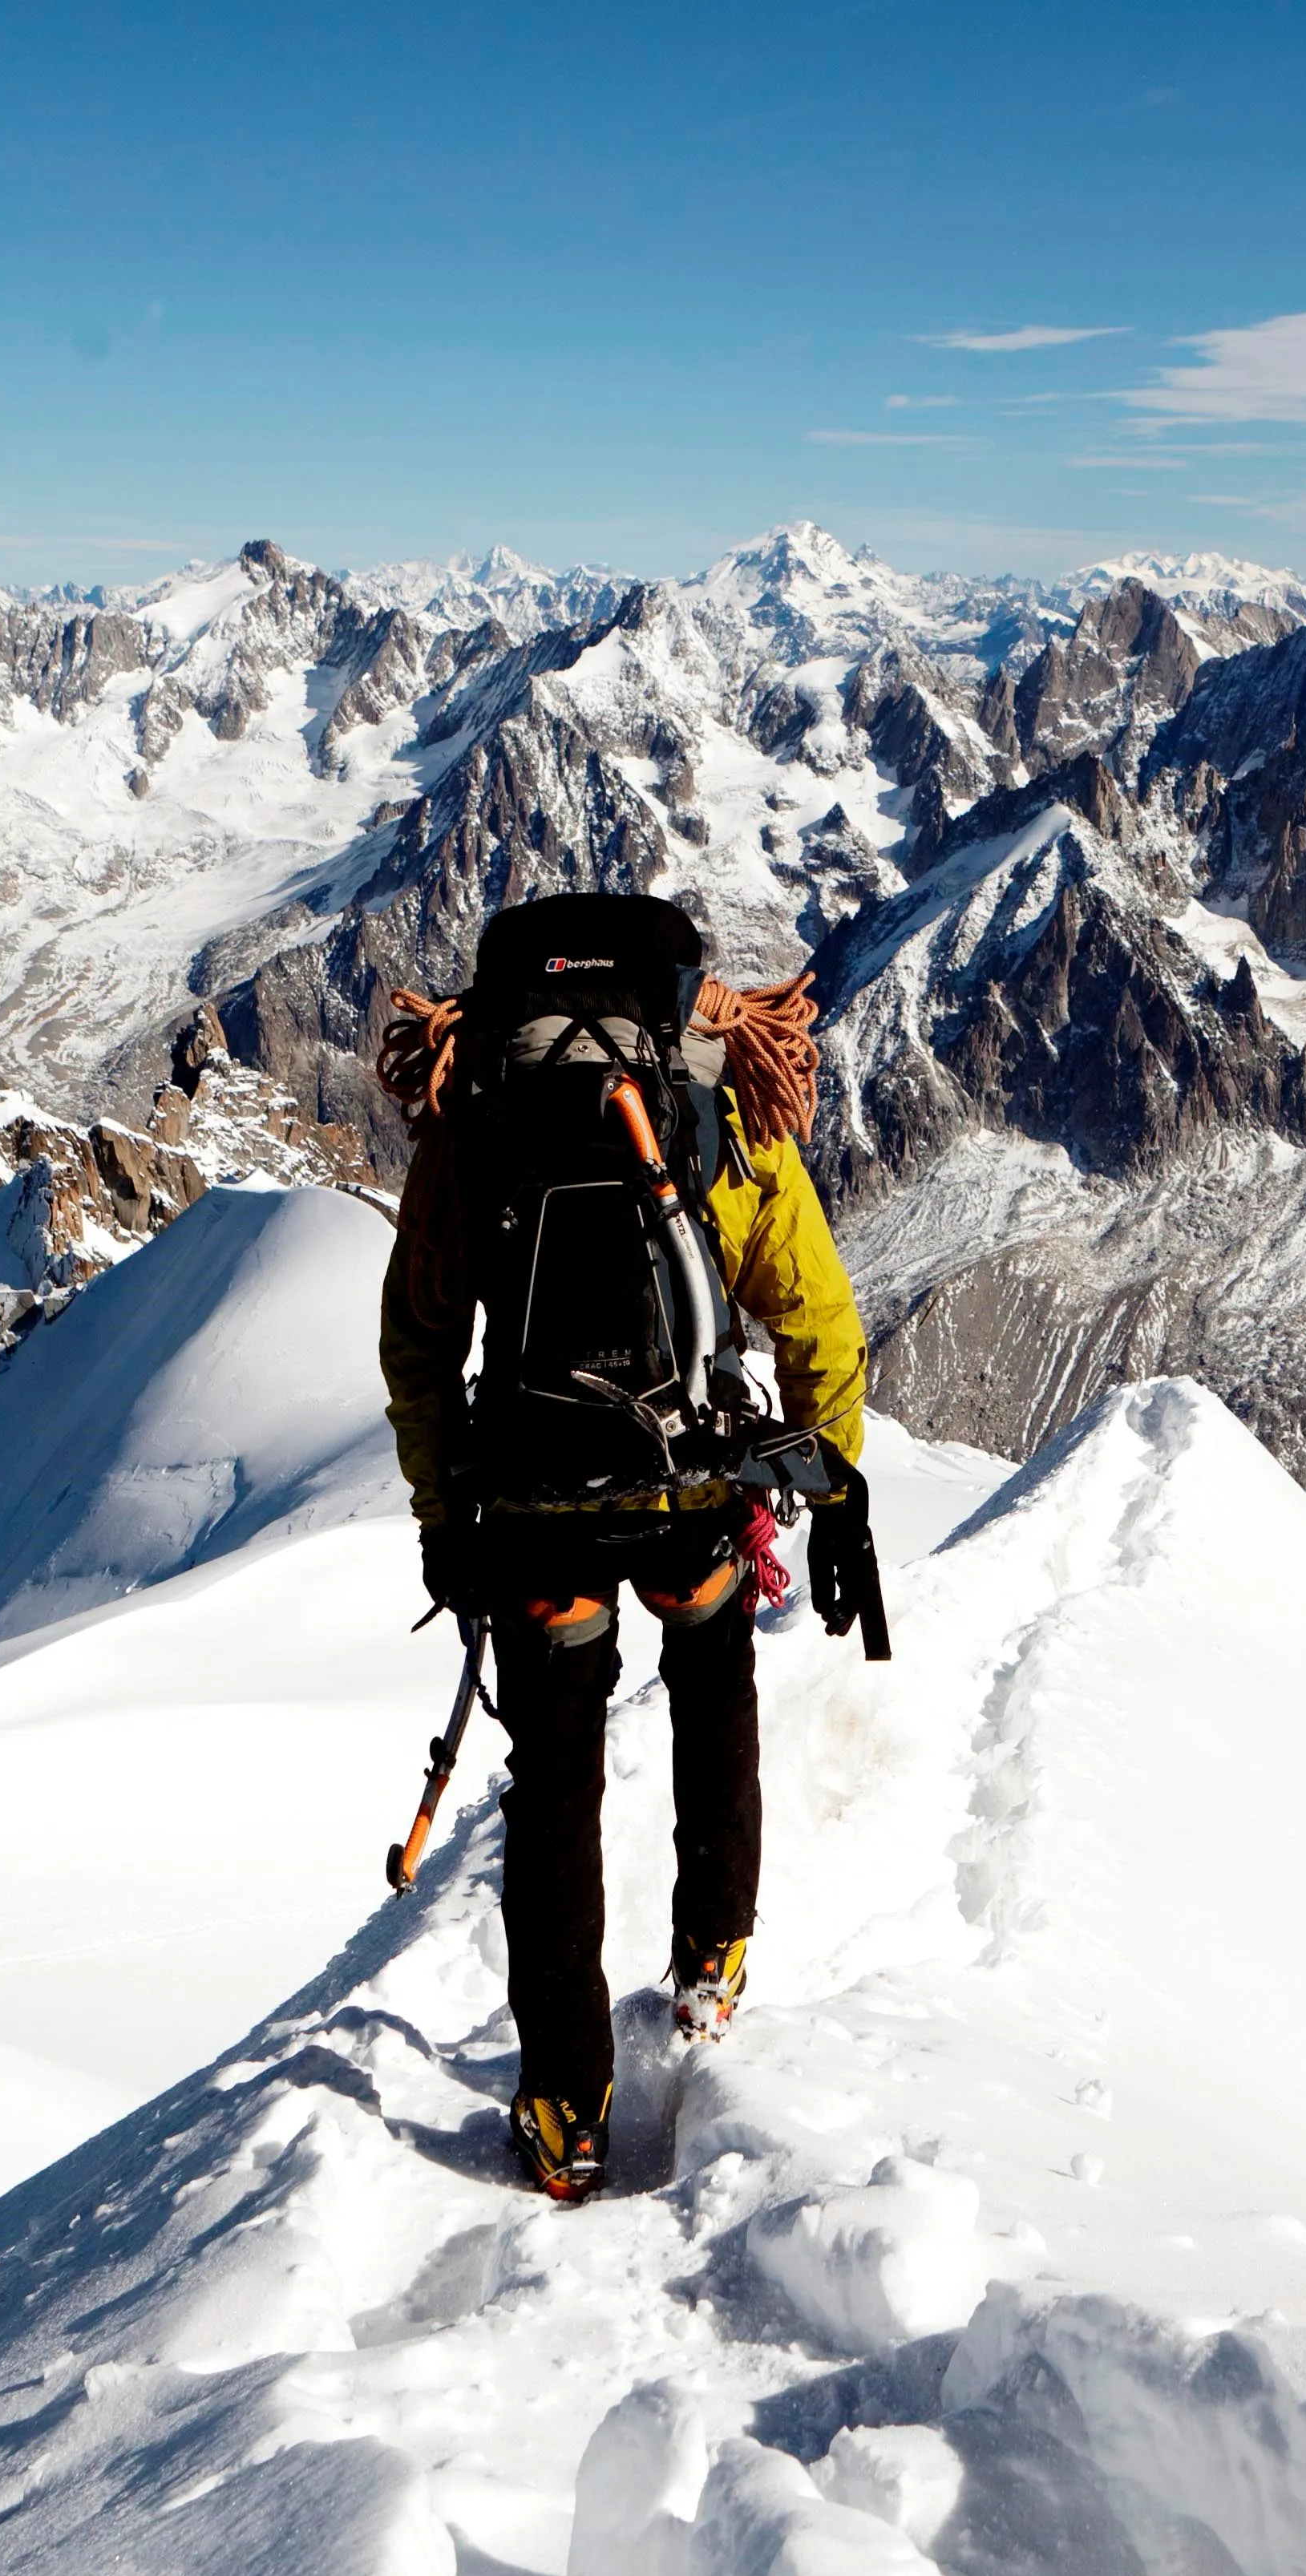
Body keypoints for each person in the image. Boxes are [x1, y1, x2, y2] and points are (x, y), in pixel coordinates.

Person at [374, 892, 878, 2204]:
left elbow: (419, 1337)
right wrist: (835, 1485)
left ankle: (562, 2103)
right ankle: (711, 1959)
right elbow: (813, 1315)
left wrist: (442, 1516)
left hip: (533, 1495)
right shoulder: (714, 1098)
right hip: (690, 1484)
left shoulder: (477, 1110)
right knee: (713, 1701)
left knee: (553, 1786)